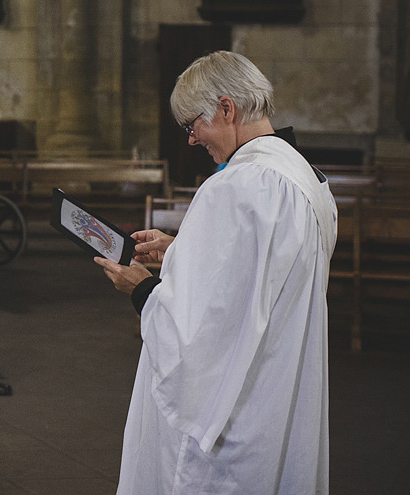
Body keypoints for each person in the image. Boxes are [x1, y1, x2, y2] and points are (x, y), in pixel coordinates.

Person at [96, 51, 337, 494]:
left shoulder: (238, 184)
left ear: (227, 108)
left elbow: (200, 332)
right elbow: (258, 275)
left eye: (192, 125)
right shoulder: (304, 175)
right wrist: (181, 251)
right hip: (278, 393)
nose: (191, 140)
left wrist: (141, 288)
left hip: (232, 413)